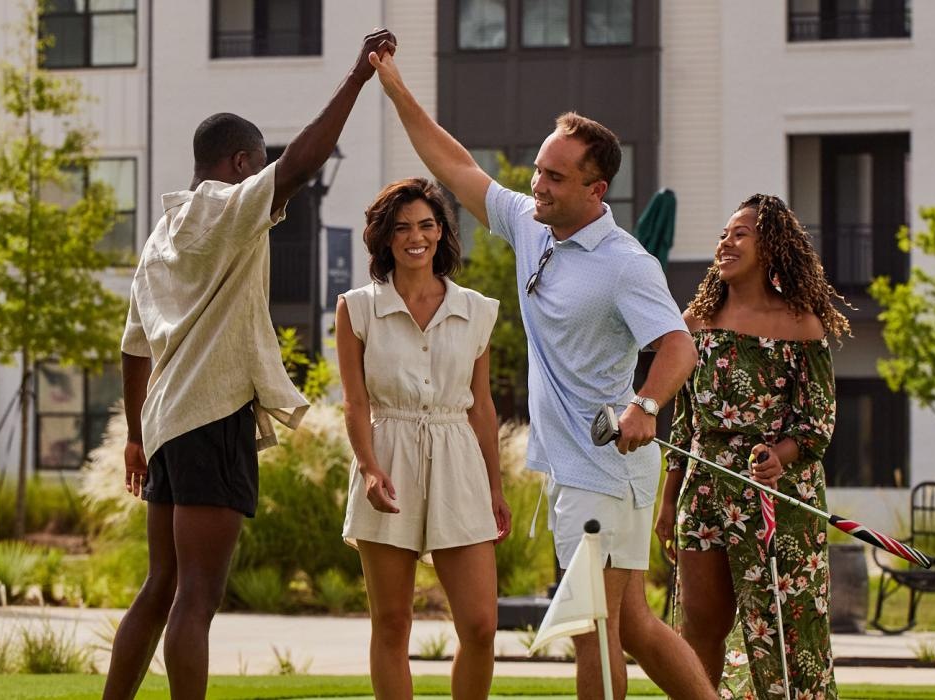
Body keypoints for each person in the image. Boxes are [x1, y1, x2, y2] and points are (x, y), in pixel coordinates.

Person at [367, 49, 716, 700]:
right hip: (587, 471)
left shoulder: (624, 263)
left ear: (595, 190)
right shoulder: (534, 227)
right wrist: (394, 88)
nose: (540, 185)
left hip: (604, 470)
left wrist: (645, 405)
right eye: (539, 171)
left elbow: (678, 347)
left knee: (594, 627)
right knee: (632, 623)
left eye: (556, 177)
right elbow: (453, 165)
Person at [101, 28, 398, 700]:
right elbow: (301, 163)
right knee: (197, 599)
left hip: (170, 427)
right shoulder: (228, 211)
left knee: (161, 586)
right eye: (257, 165)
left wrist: (136, 435)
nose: (271, 187)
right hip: (212, 416)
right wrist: (357, 78)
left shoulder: (160, 237)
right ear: (239, 164)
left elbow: (133, 347)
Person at [660, 194, 849, 698]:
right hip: (703, 492)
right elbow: (683, 421)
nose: (726, 242)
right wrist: (668, 497)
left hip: (777, 498)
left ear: (772, 248)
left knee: (787, 638)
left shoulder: (801, 324)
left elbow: (817, 424)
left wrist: (778, 456)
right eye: (724, 234)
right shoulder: (695, 322)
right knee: (699, 627)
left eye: (740, 233)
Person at [337, 178, 510, 700]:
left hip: (459, 461)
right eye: (403, 226)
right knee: (392, 625)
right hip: (387, 456)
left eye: (427, 225)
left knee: (480, 627)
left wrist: (495, 490)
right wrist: (368, 466)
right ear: (385, 238)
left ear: (442, 233)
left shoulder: (476, 309)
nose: (417, 236)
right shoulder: (358, 307)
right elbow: (355, 401)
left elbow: (480, 405)